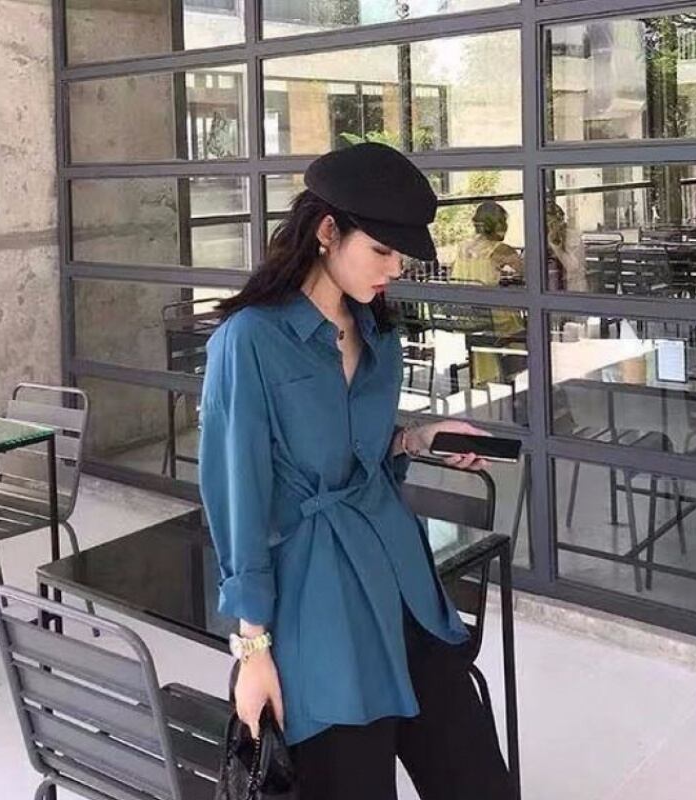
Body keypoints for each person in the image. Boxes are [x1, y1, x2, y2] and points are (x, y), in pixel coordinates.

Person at [198, 143, 514, 799]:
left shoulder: (377, 333)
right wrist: (252, 650)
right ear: (327, 231)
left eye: (402, 255)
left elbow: (360, 460)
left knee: (479, 781)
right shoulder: (250, 340)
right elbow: (237, 496)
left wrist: (419, 438)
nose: (395, 269)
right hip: (317, 608)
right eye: (382, 251)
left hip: (401, 583)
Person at [451, 201, 526, 386]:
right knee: (529, 327)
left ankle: (489, 376)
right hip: (493, 319)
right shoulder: (500, 249)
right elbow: (530, 273)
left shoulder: (462, 247)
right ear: (498, 224)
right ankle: (518, 375)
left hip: (467, 318)